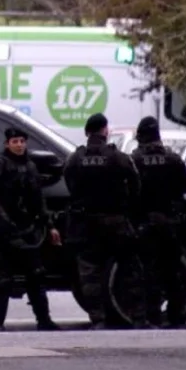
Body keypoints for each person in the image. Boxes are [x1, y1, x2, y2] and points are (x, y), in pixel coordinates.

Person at [64, 113, 148, 329]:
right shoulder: (117, 157)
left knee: (89, 272)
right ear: (105, 131)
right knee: (130, 268)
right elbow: (135, 184)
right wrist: (126, 207)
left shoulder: (76, 158)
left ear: (86, 133)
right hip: (116, 221)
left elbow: (69, 183)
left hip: (86, 221)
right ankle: (139, 317)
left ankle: (98, 319)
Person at [0, 127, 60, 332]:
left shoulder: (31, 167)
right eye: (14, 141)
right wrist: (4, 222)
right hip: (6, 232)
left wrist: (49, 225)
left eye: (21, 141)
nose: (19, 145)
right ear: (7, 144)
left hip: (29, 229)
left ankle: (44, 320)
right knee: (3, 279)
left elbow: (38, 200)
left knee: (36, 275)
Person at [130, 116, 186, 327]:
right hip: (170, 223)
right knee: (172, 270)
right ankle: (175, 315)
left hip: (145, 223)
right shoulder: (173, 159)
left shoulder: (135, 159)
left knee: (148, 271)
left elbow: (128, 191)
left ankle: (152, 316)